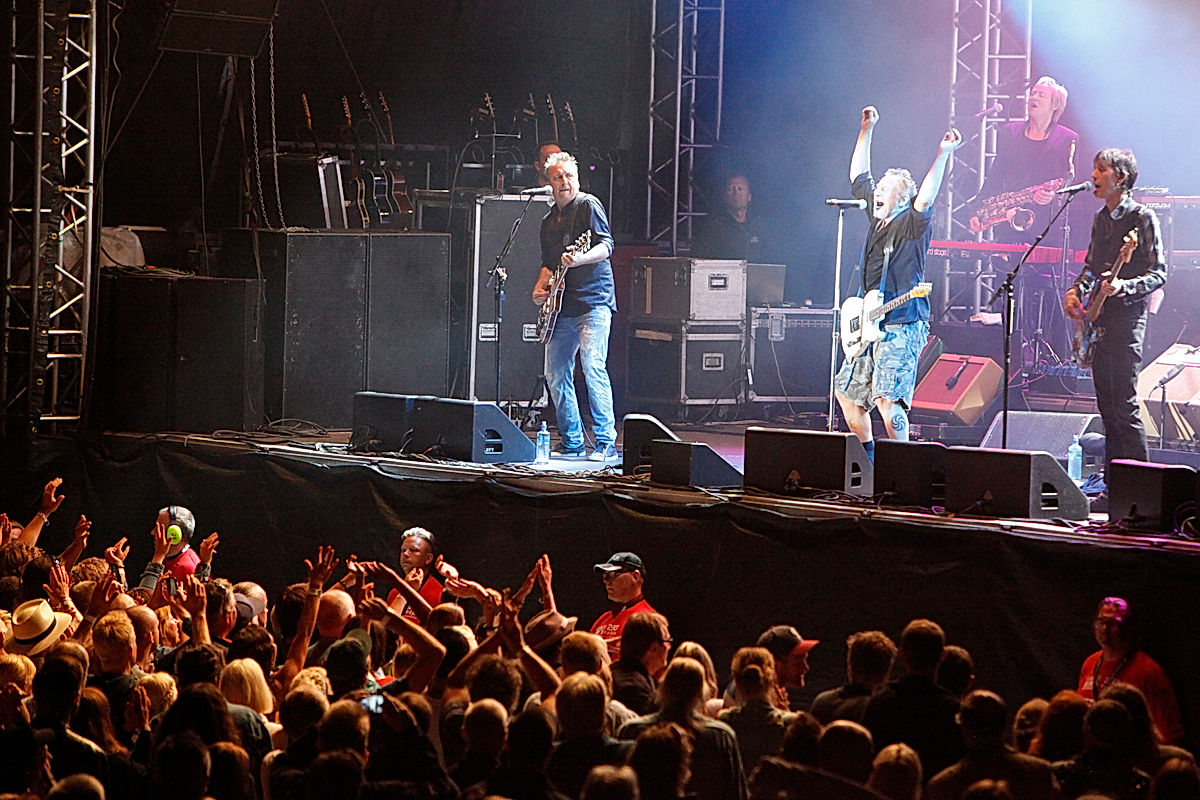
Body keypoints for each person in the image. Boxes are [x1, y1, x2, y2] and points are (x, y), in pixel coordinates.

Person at [836, 106, 962, 458]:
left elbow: (926, 198)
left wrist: (943, 155)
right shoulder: (875, 219)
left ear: (902, 198)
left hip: (903, 321)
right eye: (881, 188)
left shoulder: (912, 224)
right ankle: (871, 461)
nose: (878, 192)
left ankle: (904, 467)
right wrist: (866, 129)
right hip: (869, 321)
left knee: (886, 400)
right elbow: (859, 175)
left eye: (888, 189)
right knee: (847, 394)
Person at [1063, 148, 1167, 481]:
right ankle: (1113, 486)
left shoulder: (1142, 217)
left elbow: (1159, 273)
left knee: (1124, 405)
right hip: (1101, 318)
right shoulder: (1100, 219)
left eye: (1101, 169)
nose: (1093, 176)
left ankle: (1141, 490)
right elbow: (1092, 268)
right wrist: (1075, 291)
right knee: (1106, 408)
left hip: (1127, 318)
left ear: (1120, 177)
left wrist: (1124, 287)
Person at [531, 150, 618, 461]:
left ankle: (606, 442)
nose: (565, 181)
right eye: (558, 177)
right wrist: (541, 287)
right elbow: (548, 263)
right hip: (561, 307)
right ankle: (572, 441)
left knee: (593, 366)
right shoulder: (547, 221)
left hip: (593, 300)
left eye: (569, 176)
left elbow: (606, 245)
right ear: (549, 182)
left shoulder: (588, 205)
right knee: (555, 373)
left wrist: (580, 258)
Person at [973, 77, 1079, 244]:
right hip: (1009, 225)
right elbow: (995, 176)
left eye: (1041, 95)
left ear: (1055, 105)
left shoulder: (1067, 139)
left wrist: (1054, 196)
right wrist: (978, 211)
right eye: (1033, 93)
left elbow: (1075, 185)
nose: (1033, 98)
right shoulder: (1010, 133)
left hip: (1047, 228)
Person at [1075, 597, 1183, 745]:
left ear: (1129, 628)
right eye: (1101, 622)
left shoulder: (1148, 672)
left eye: (1113, 623)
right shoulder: (1090, 663)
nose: (1104, 629)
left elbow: (1170, 735)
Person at [590, 552, 657, 660]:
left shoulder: (649, 619)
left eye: (613, 574)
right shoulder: (603, 620)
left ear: (635, 577)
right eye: (605, 575)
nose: (606, 581)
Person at [691, 174, 765, 261]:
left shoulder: (757, 226)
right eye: (731, 189)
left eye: (740, 189)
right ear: (725, 196)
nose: (736, 192)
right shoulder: (712, 225)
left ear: (749, 197)